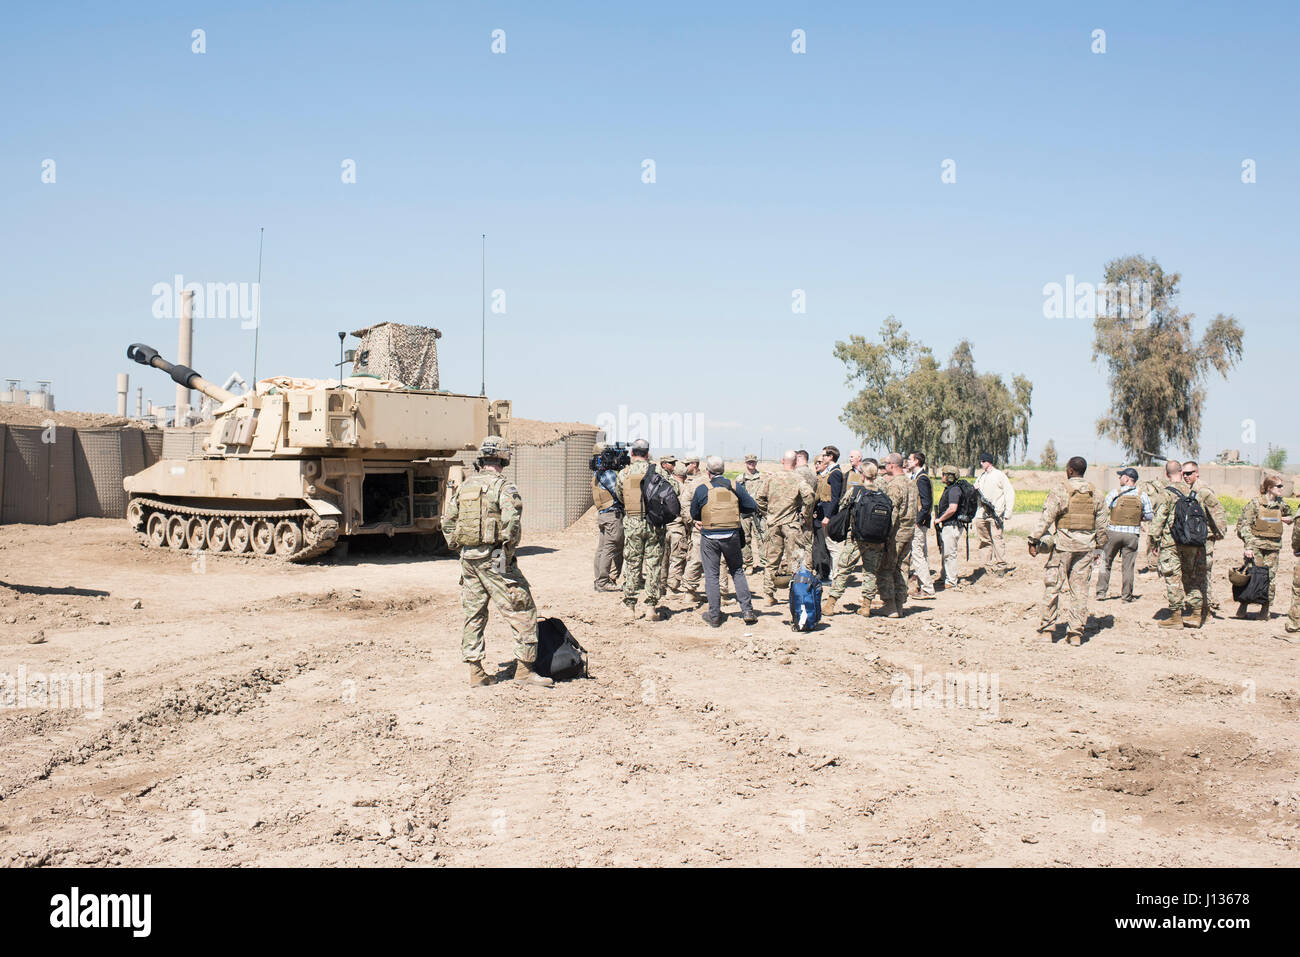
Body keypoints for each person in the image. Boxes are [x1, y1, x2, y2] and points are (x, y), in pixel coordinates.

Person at [441, 436, 552, 687]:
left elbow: (447, 522)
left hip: (468, 559)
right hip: (495, 558)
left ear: (482, 459)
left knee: (474, 613)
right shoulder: (503, 487)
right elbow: (512, 524)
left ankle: (476, 672)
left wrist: (460, 547)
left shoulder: (465, 486)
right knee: (522, 608)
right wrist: (506, 555)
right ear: (503, 458)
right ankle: (524, 671)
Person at [1029, 456, 1107, 645]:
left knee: (1052, 587)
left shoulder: (1060, 490)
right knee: (1079, 591)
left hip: (1062, 547)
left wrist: (1034, 539)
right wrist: (1100, 548)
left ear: (1070, 470)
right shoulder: (1096, 494)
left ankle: (1047, 630)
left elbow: (1047, 517)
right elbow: (1103, 526)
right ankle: (1075, 635)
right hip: (1086, 548)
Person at [690, 455, 760, 626]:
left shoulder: (702, 489)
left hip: (709, 536)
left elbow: (694, 513)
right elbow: (752, 506)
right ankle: (747, 611)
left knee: (712, 575)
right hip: (732, 535)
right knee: (737, 571)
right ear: (723, 471)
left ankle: (714, 616)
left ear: (708, 473)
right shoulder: (735, 486)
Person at [823, 461, 897, 617]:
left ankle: (830, 604)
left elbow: (843, 506)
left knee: (843, 570)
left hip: (856, 539)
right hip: (877, 540)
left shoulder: (855, 491)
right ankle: (866, 606)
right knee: (870, 573)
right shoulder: (883, 494)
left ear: (862, 475)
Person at [1149, 459, 1207, 629]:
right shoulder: (1193, 493)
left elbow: (1159, 519)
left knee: (1173, 578)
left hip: (1171, 543)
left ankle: (1175, 617)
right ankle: (1196, 614)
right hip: (1191, 542)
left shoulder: (1166, 493)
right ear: (1181, 473)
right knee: (1191, 576)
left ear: (1166, 475)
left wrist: (1154, 540)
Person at [755, 450, 815, 605]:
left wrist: (768, 512)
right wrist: (805, 514)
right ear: (795, 462)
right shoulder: (798, 478)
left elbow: (759, 498)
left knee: (771, 560)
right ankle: (796, 593)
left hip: (773, 524)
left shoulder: (771, 478)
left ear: (782, 461)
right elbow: (810, 497)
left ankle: (768, 595)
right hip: (791, 525)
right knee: (795, 560)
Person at [617, 439, 667, 621]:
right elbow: (671, 492)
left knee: (632, 563)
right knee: (653, 563)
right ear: (647, 453)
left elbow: (620, 496)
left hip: (632, 522)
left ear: (632, 453)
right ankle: (651, 608)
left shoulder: (624, 473)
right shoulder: (658, 471)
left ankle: (630, 606)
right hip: (654, 523)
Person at [1235, 473, 1294, 620]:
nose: (1282, 488)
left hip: (1273, 546)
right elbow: (1244, 525)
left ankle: (1265, 609)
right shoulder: (1255, 503)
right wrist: (1248, 546)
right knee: (1251, 575)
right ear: (1269, 487)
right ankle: (1243, 606)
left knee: (1270, 577)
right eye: (1279, 486)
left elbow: (1291, 516)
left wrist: (1289, 520)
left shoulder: (1281, 503)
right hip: (1256, 545)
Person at [1096, 467, 1153, 603]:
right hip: (1132, 535)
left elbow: (1103, 511)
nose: (1119, 478)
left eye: (1121, 476)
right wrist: (1138, 518)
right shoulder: (1142, 495)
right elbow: (1150, 515)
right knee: (1128, 567)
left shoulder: (1115, 493)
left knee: (1106, 562)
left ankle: (1101, 592)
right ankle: (1126, 596)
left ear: (1127, 478)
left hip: (1113, 532)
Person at [1183, 461, 1228, 613]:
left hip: (1205, 538)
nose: (1186, 476)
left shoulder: (1203, 490)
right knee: (1197, 572)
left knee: (1203, 572)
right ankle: (1202, 605)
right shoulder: (1191, 490)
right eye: (1184, 473)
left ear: (1197, 473)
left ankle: (1206, 607)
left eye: (1189, 473)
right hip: (1196, 537)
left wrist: (1220, 532)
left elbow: (1217, 510)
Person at [880, 452, 918, 617]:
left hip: (896, 533)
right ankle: (900, 603)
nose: (885, 466)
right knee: (902, 567)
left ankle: (890, 605)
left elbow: (892, 512)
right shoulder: (912, 483)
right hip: (909, 531)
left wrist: (883, 534)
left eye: (886, 464)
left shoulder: (895, 485)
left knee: (886, 569)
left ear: (892, 466)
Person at [973, 452, 1015, 577]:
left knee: (997, 539)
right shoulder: (981, 477)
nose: (981, 463)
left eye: (983, 461)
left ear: (989, 462)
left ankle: (1001, 565)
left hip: (996, 513)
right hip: (981, 514)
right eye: (981, 461)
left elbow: (1009, 493)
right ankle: (985, 565)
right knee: (984, 540)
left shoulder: (999, 475)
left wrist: (1007, 512)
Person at [591, 443, 625, 593]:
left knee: (602, 548)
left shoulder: (597, 473)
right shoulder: (608, 474)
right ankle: (604, 581)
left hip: (604, 514)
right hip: (612, 515)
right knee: (611, 548)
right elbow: (619, 493)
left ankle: (599, 579)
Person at [907, 451, 936, 600]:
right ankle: (923, 586)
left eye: (910, 459)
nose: (907, 461)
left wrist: (918, 521)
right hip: (919, 522)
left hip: (918, 524)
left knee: (918, 554)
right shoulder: (916, 477)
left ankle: (927, 589)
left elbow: (926, 504)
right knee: (921, 554)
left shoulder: (921, 479)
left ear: (917, 461)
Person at [814, 446, 845, 583]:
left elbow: (835, 498)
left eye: (824, 455)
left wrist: (828, 516)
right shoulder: (830, 473)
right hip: (824, 512)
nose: (823, 458)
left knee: (833, 546)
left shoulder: (835, 473)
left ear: (830, 457)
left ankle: (836, 574)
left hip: (829, 514)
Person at [657, 454, 685, 591]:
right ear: (663, 464)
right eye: (671, 463)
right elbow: (684, 508)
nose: (673, 465)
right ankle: (671, 586)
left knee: (663, 557)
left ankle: (662, 586)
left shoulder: (656, 483)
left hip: (662, 525)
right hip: (675, 526)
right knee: (676, 557)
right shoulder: (676, 486)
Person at [734, 453, 767, 573]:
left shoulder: (763, 478)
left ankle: (764, 564)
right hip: (745, 513)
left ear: (756, 463)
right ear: (745, 463)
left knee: (762, 538)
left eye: (753, 462)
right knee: (746, 538)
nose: (751, 464)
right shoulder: (740, 479)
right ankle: (748, 563)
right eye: (749, 462)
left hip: (759, 513)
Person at [934, 465, 964, 589]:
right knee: (946, 552)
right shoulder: (951, 489)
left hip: (951, 525)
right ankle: (945, 576)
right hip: (949, 525)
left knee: (950, 554)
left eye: (943, 474)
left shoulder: (954, 490)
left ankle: (951, 581)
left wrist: (939, 519)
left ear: (949, 476)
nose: (942, 477)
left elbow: (952, 508)